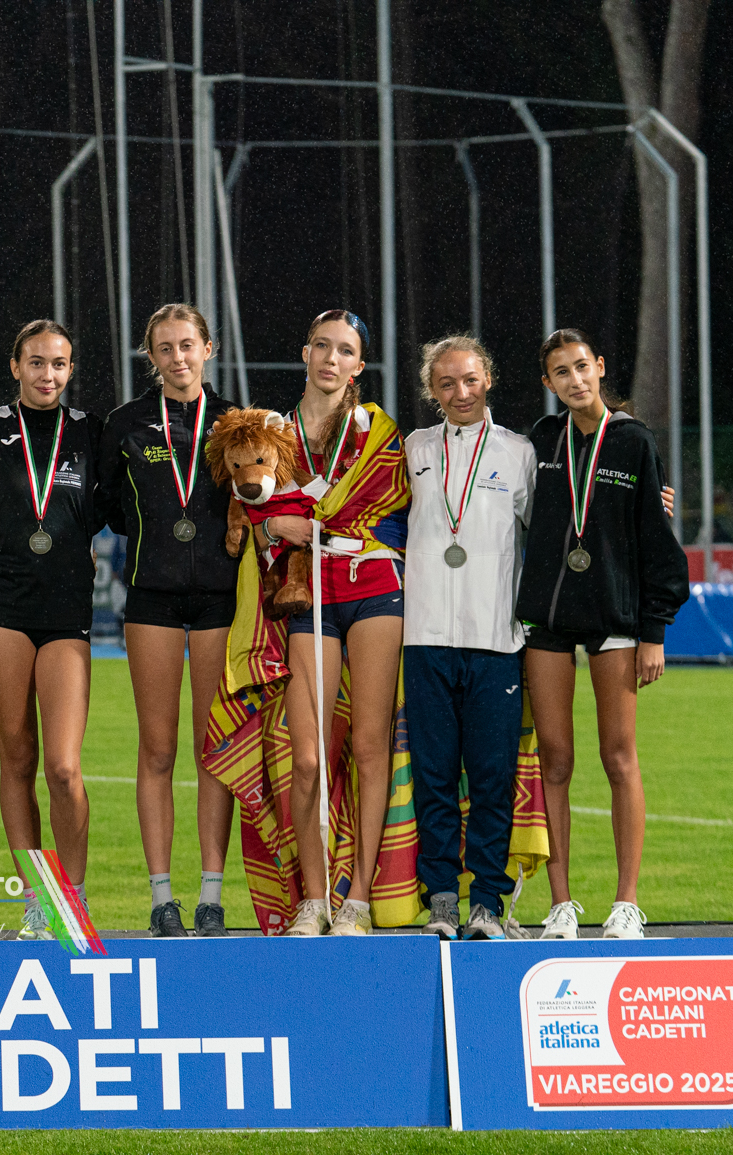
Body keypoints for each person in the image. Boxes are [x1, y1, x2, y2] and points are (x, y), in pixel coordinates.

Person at [517, 329, 689, 941]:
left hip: (615, 615)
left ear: (601, 367)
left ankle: (626, 903)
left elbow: (656, 541)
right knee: (555, 760)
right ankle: (561, 905)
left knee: (618, 756)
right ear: (548, 382)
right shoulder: (541, 440)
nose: (575, 380)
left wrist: (654, 631)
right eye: (561, 372)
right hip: (548, 618)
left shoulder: (634, 441)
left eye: (582, 366)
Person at [267, 309, 411, 937]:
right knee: (307, 758)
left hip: (375, 583)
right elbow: (247, 505)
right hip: (308, 590)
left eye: (344, 350)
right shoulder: (273, 432)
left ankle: (358, 900)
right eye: (321, 346)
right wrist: (273, 525)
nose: (331, 358)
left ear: (359, 365)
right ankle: (313, 897)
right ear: (305, 353)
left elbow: (406, 509)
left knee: (371, 748)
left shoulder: (380, 430)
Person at [98, 303, 240, 937]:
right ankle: (162, 899)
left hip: (219, 599)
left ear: (207, 348)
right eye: (164, 348)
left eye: (187, 345)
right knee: (157, 749)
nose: (177, 357)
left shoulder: (236, 421)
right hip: (151, 597)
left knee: (215, 748)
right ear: (150, 356)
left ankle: (211, 896)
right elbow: (110, 507)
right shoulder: (126, 423)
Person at [0, 320, 100, 938]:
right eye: (36, 362)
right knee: (17, 759)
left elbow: (116, 507)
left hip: (66, 610)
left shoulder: (91, 431)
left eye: (59, 364)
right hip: (6, 606)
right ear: (15, 366)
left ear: (70, 369)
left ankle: (74, 895)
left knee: (63, 767)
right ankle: (37, 900)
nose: (48, 374)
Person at [401, 336, 536, 941]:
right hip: (425, 636)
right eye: (447, 383)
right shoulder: (413, 448)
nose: (461, 392)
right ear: (432, 390)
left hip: (496, 639)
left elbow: (553, 529)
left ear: (488, 380)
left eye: (470, 380)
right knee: (432, 778)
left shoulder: (519, 452)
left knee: (490, 780)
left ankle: (486, 902)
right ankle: (441, 902)